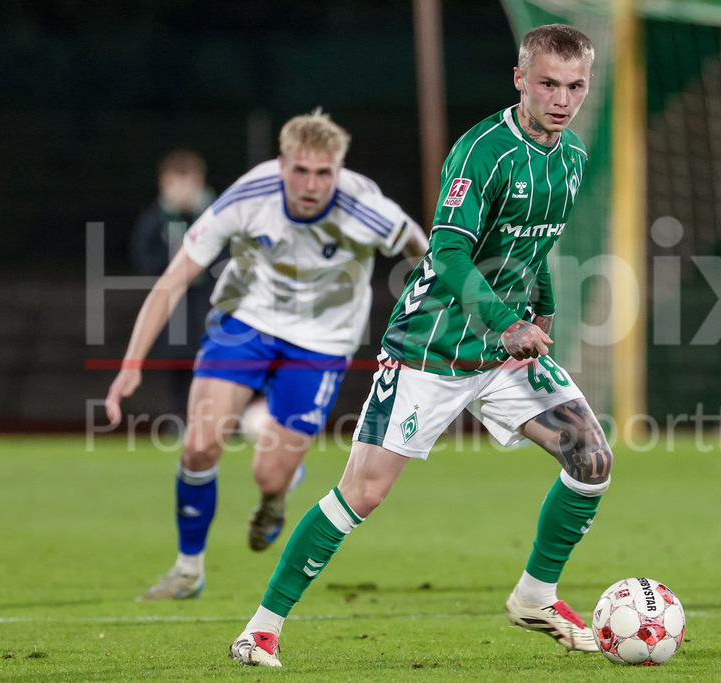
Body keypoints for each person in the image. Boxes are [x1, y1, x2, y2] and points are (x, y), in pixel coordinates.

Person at [229, 24, 610, 668]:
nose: (561, 98)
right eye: (548, 83)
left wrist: (542, 306)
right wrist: (503, 319)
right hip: (430, 348)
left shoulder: (570, 158)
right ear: (520, 78)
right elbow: (449, 250)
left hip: (504, 351)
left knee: (591, 459)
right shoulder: (480, 152)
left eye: (575, 86)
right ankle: (261, 628)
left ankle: (535, 596)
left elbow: (533, 244)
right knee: (363, 493)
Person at [104, 111, 429, 601]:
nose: (311, 184)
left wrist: (433, 315)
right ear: (282, 164)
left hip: (321, 343)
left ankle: (275, 497)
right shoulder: (249, 195)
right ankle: (188, 568)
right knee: (198, 446)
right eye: (300, 170)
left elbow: (422, 252)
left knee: (267, 473)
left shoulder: (366, 207)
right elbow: (173, 278)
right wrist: (130, 365)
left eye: (324, 173)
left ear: (339, 171)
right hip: (246, 323)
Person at [130, 149, 220, 425]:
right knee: (176, 368)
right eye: (176, 183)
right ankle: (178, 420)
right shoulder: (155, 220)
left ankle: (217, 421)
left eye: (188, 183)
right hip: (173, 309)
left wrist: (202, 262)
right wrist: (176, 259)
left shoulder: (217, 216)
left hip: (210, 306)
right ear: (164, 185)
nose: (182, 191)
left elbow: (233, 257)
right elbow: (143, 259)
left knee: (213, 366)